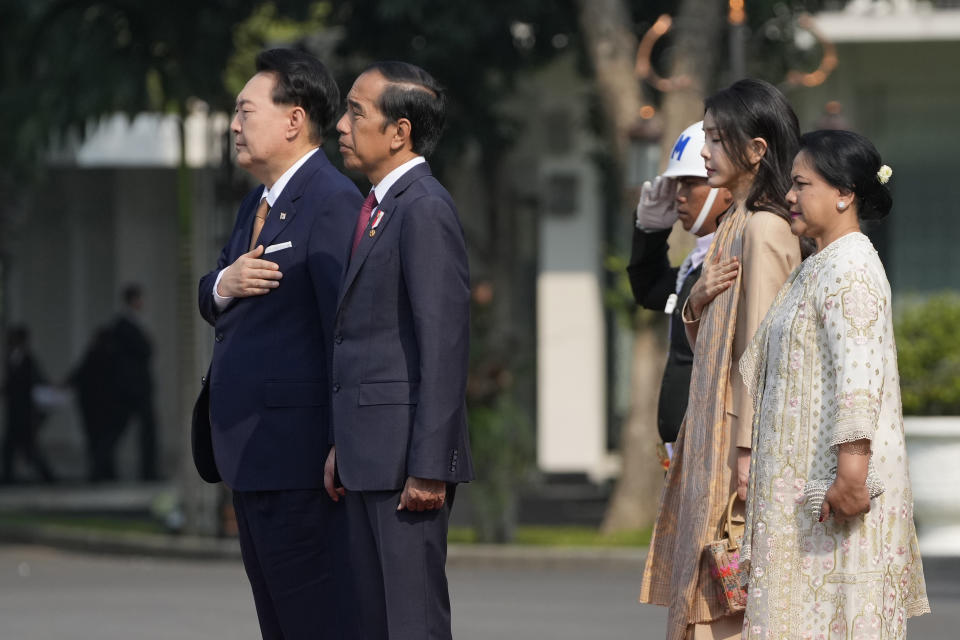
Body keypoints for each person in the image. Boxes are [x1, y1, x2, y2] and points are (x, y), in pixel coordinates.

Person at [196, 48, 362, 640]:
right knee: (277, 622)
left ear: (294, 120)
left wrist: (345, 441)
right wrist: (224, 282)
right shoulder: (256, 202)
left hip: (302, 462)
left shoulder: (333, 201)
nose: (234, 125)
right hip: (252, 456)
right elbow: (213, 286)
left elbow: (348, 332)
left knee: (313, 620)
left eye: (245, 111)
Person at [738, 130, 929, 638]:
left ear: (844, 193)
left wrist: (850, 477)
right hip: (801, 496)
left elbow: (859, 379)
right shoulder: (817, 265)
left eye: (802, 184)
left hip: (832, 501)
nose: (790, 197)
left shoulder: (852, 269)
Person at [639, 79, 802, 640]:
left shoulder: (763, 228)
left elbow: (765, 355)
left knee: (725, 611)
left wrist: (749, 454)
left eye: (715, 138)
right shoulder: (735, 222)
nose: (704, 151)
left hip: (738, 450)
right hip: (711, 438)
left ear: (757, 150)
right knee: (700, 603)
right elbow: (709, 334)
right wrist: (697, 300)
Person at [325, 61, 473, 640]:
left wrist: (430, 467)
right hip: (368, 455)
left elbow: (444, 343)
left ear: (398, 131)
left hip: (406, 465)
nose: (341, 124)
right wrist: (342, 440)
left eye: (356, 112)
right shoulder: (382, 206)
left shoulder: (425, 207)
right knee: (374, 622)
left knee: (411, 622)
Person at [627, 120, 734, 445]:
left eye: (690, 184)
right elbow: (651, 291)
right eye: (677, 186)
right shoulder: (700, 258)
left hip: (712, 446)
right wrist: (650, 232)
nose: (679, 198)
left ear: (728, 188)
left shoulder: (731, 257)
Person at [108, 284, 157, 481]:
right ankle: (104, 468)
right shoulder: (124, 325)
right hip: (132, 388)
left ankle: (148, 471)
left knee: (129, 429)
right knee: (120, 429)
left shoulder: (130, 323)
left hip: (135, 387)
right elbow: (144, 350)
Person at [2, 326, 56, 484]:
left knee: (27, 447)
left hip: (25, 413)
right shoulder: (12, 359)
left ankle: (47, 476)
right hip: (15, 412)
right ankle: (9, 477)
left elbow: (36, 382)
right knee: (12, 447)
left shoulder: (28, 360)